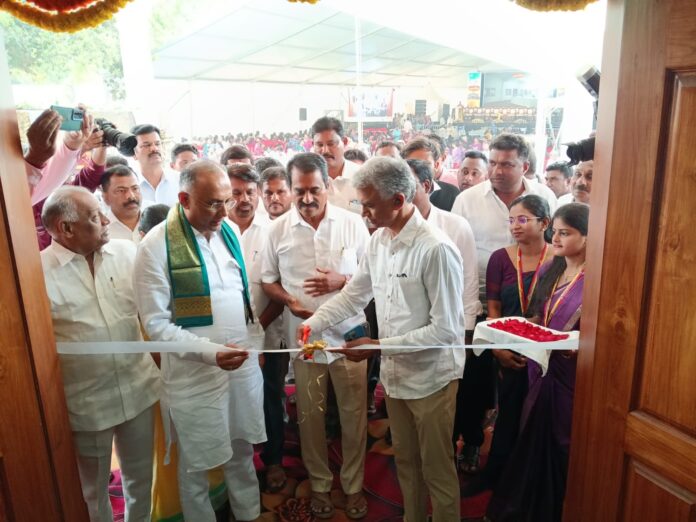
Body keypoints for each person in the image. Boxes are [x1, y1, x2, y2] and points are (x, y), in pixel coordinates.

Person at [301, 156, 466, 522]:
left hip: (431, 378)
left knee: (437, 470)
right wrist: (315, 321)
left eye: (370, 205)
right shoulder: (379, 240)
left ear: (398, 200)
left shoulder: (435, 248)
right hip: (395, 376)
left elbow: (445, 330)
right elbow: (354, 295)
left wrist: (377, 348)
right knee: (405, 462)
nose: (363, 213)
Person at [134, 160, 264, 522]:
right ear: (184, 199)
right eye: (213, 204)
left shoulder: (229, 232)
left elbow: (244, 299)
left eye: (226, 201)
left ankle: (249, 515)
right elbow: (156, 326)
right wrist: (210, 354)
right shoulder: (156, 246)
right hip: (194, 376)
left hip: (240, 367)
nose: (224, 212)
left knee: (241, 450)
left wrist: (255, 343)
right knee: (196, 464)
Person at [40, 186, 160, 522]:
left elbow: (150, 310)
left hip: (138, 389)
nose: (107, 220)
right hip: (86, 403)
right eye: (95, 216)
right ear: (66, 228)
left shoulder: (126, 253)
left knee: (140, 480)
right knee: (92, 493)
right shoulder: (38, 273)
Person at [261, 152, 369, 520]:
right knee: (310, 417)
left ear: (328, 186)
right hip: (305, 340)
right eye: (299, 191)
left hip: (350, 338)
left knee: (354, 416)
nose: (307, 198)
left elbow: (373, 276)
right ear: (290, 189)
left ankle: (353, 486)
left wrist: (343, 281)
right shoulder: (277, 230)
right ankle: (320, 485)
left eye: (315, 190)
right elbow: (267, 280)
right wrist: (290, 301)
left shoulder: (353, 224)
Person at [451, 133, 558, 473]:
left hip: (531, 307)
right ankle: (471, 442)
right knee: (473, 381)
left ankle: (523, 456)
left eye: (507, 164)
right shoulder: (467, 200)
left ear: (524, 166)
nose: (497, 170)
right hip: (479, 302)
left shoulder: (545, 197)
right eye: (494, 163)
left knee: (523, 387)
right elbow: (456, 254)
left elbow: (555, 248)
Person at [487, 203, 589, 522]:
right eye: (554, 231)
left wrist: (577, 347)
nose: (554, 238)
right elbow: (539, 316)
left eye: (565, 233)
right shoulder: (551, 270)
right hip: (540, 368)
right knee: (530, 435)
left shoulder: (598, 279)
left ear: (587, 237)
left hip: (570, 374)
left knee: (561, 442)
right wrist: (515, 327)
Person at [464, 195, 553, 495]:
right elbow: (494, 310)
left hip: (545, 351)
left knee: (539, 417)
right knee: (509, 413)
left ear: (545, 223)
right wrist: (497, 350)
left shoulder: (558, 259)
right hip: (509, 348)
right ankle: (498, 476)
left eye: (523, 219)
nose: (515, 226)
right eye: (512, 220)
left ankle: (530, 481)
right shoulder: (500, 259)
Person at [226, 163, 289, 492]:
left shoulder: (273, 232)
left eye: (250, 192)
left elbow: (280, 291)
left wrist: (255, 333)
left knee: (270, 398)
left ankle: (274, 460)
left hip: (268, 334)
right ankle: (235, 465)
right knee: (231, 401)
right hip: (226, 341)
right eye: (236, 193)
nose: (244, 200)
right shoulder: (214, 231)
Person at [311, 116, 363, 215]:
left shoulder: (363, 178)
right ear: (313, 145)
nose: (325, 151)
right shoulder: (307, 181)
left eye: (331, 144)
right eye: (319, 145)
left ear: (344, 142)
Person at [401, 137, 459, 211]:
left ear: (436, 165)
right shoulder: (398, 194)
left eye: (425, 164)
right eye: (412, 164)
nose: (418, 169)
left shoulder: (452, 194)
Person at [132, 124, 180, 206]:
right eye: (146, 145)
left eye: (157, 144)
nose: (154, 148)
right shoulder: (129, 187)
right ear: (134, 154)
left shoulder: (180, 180)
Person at [101, 165, 143, 243]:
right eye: (121, 190)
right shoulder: (99, 231)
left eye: (135, 188)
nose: (131, 196)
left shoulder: (158, 221)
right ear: (105, 197)